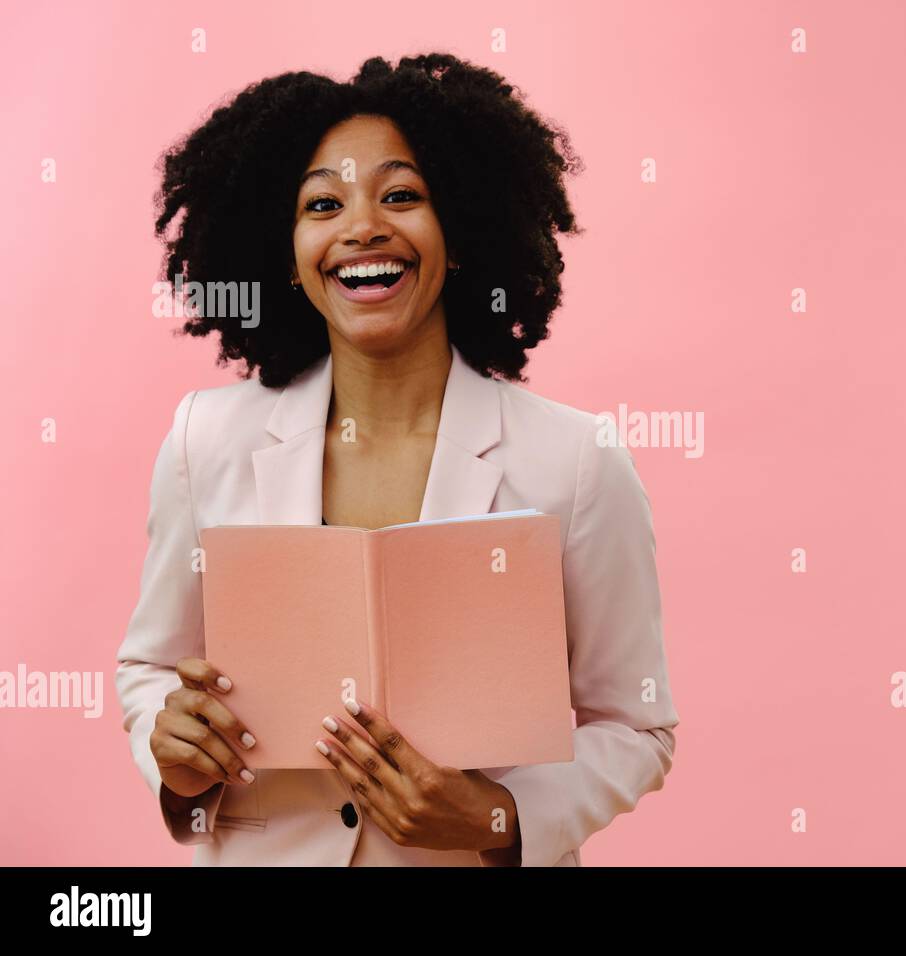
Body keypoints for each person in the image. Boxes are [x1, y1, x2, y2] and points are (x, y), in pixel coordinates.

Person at [114, 52, 679, 867]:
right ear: (289, 255)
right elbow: (151, 665)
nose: (363, 227)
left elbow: (637, 721)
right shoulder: (206, 442)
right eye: (322, 204)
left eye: (402, 195)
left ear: (461, 235)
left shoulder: (579, 462)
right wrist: (174, 755)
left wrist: (500, 816)